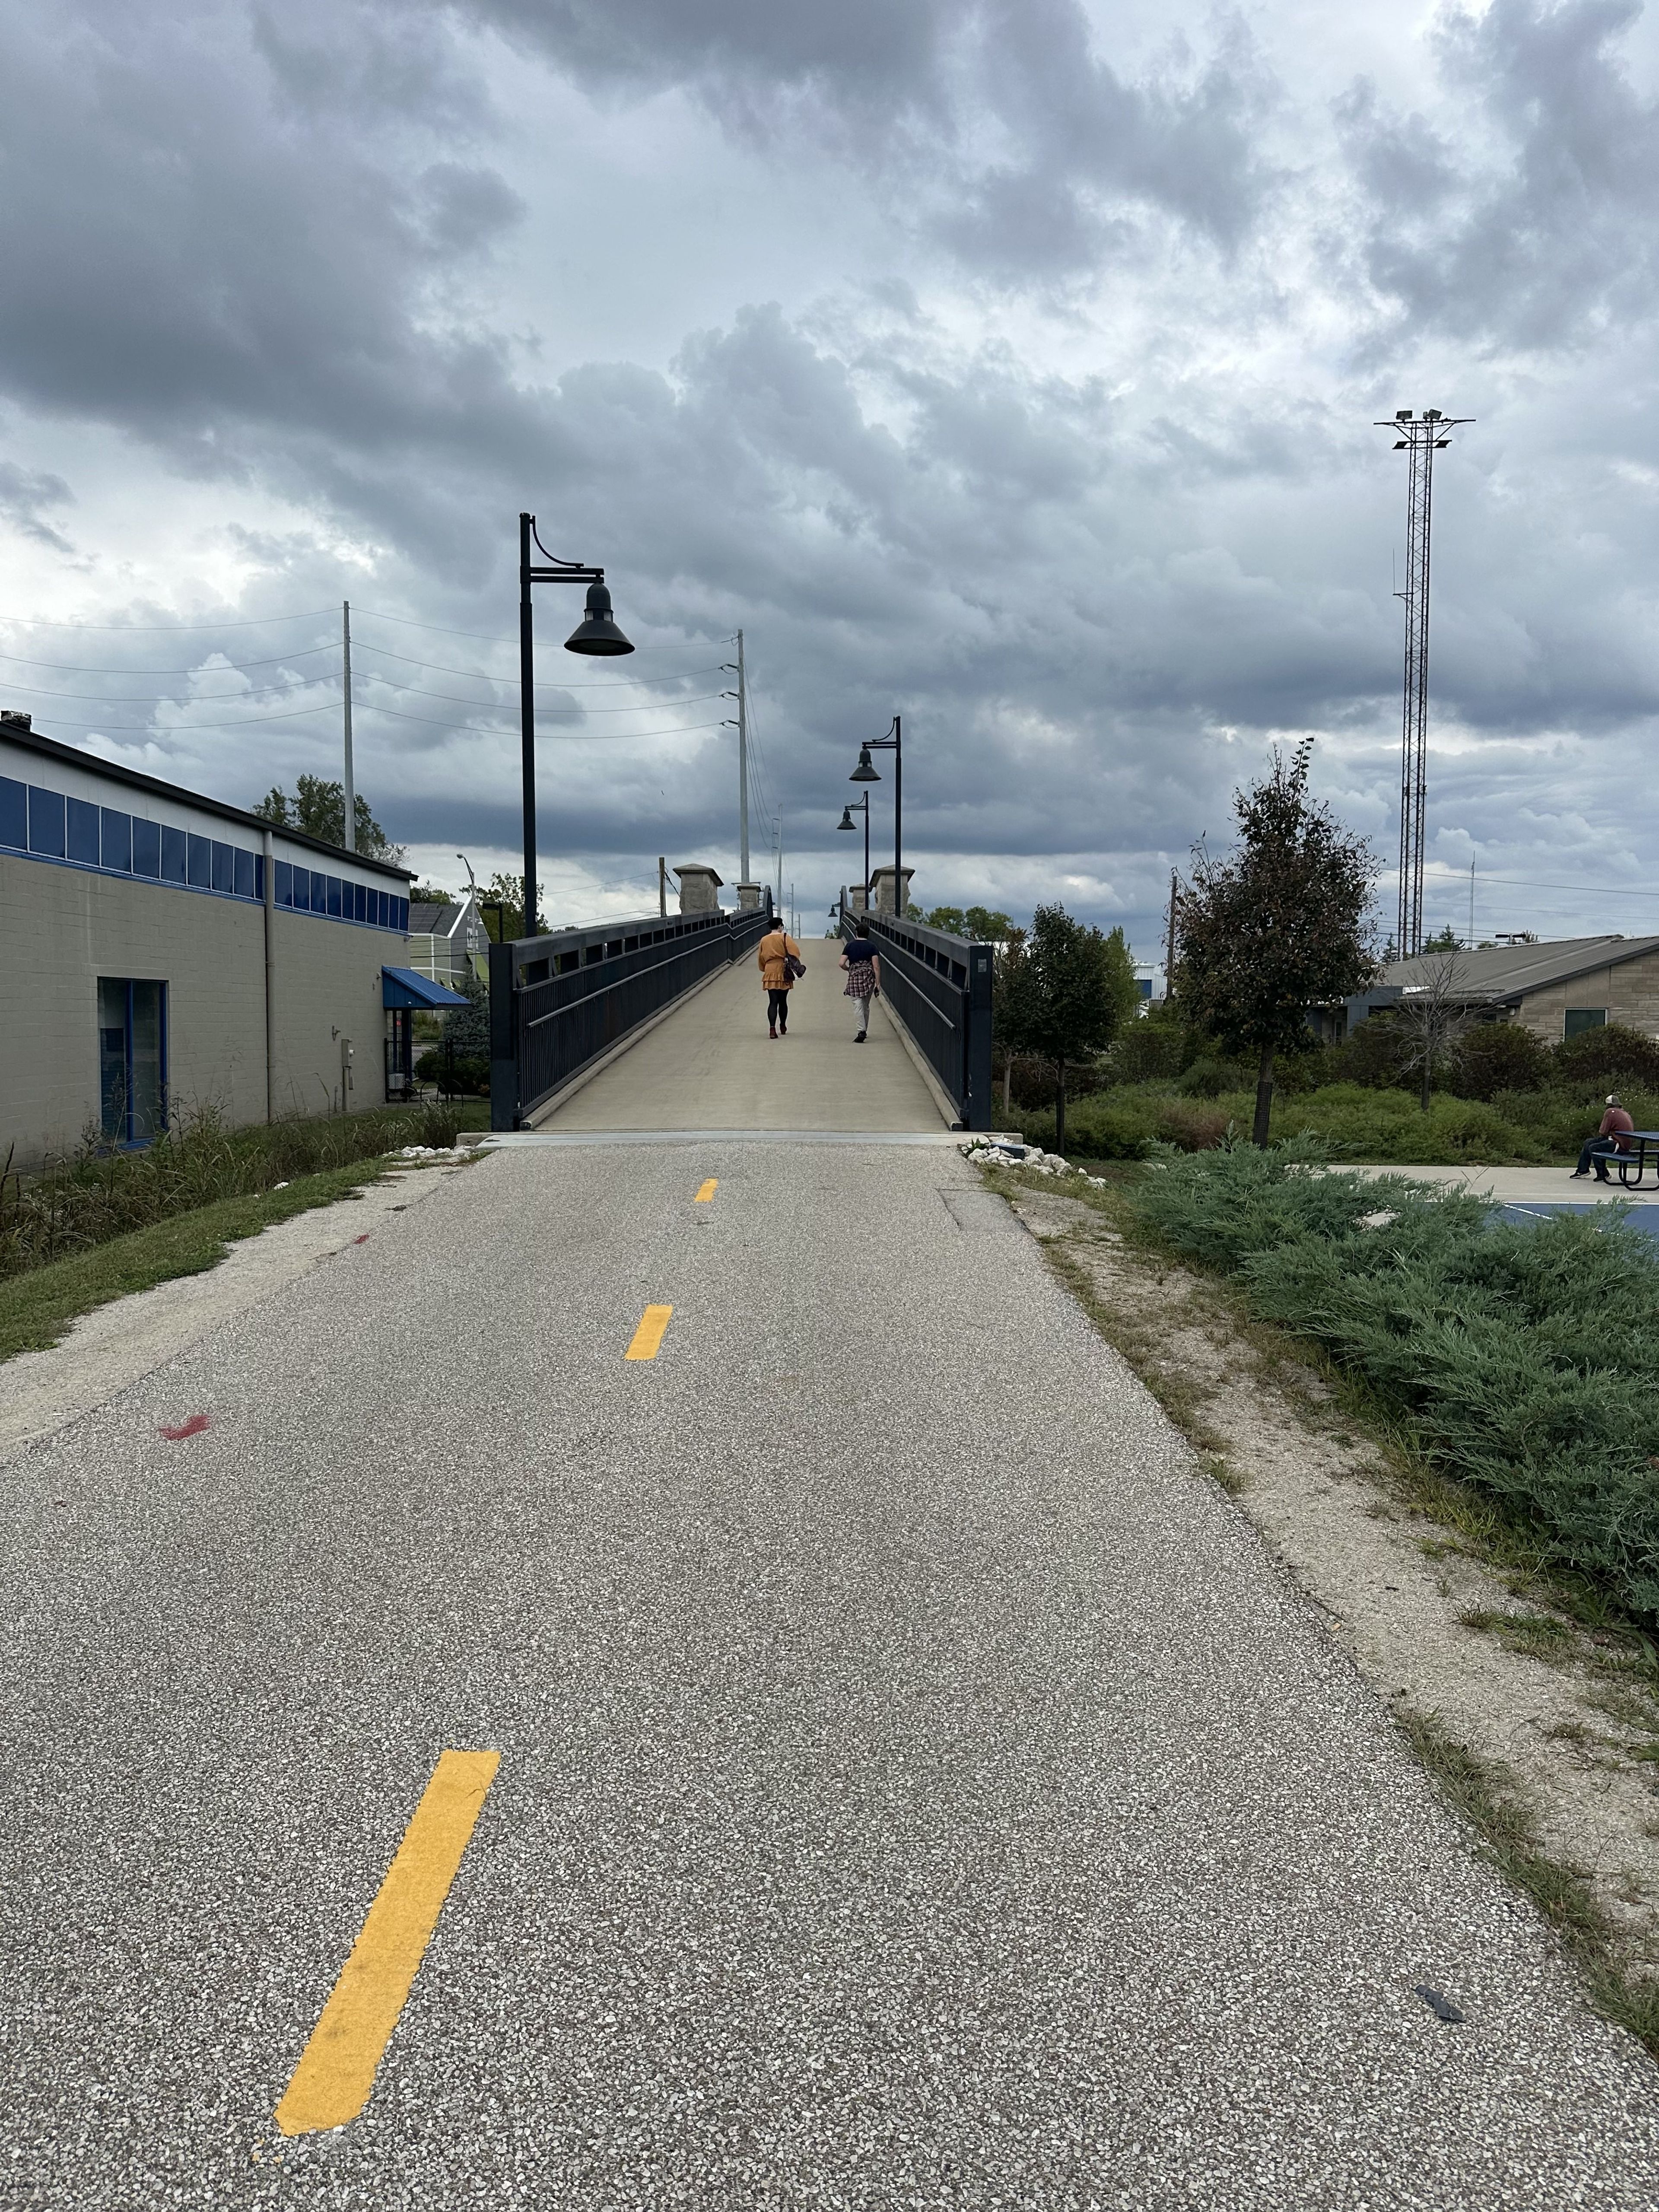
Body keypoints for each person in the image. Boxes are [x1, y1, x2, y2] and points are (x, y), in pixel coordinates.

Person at [756, 914, 802, 1038]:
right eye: (782, 926)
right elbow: (796, 953)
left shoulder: (764, 940)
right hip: (783, 970)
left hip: (770, 970)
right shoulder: (785, 937)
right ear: (780, 926)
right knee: (783, 1001)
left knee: (773, 1002)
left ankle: (772, 1029)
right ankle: (783, 1025)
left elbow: (761, 957)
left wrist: (764, 968)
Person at [1572, 1093, 1635, 1181]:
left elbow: (1603, 1131)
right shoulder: (1625, 1113)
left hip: (1618, 1143)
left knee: (1593, 1148)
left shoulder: (1610, 1112)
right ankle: (1583, 1170)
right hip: (1624, 1142)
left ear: (1608, 1105)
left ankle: (1603, 1174)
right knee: (1588, 1142)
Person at [838, 925, 882, 1042]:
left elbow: (841, 963)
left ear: (856, 932)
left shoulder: (850, 945)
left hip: (855, 978)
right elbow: (876, 967)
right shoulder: (872, 947)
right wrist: (878, 984)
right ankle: (864, 1029)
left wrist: (849, 969)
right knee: (866, 1005)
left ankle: (861, 1031)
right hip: (868, 978)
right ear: (868, 934)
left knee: (857, 1004)